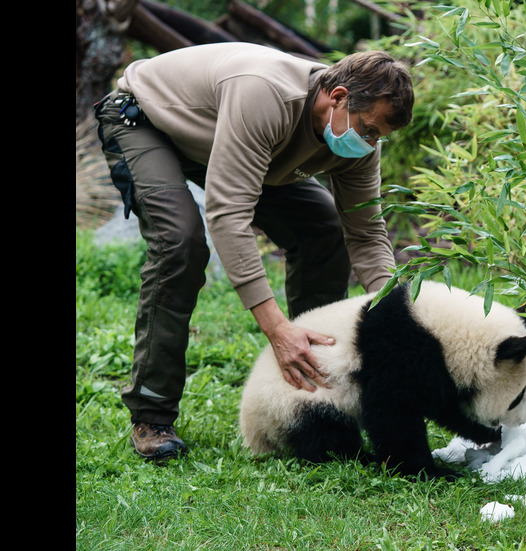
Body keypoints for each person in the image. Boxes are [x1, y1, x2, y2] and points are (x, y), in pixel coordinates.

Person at [93, 42, 414, 463]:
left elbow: (367, 232)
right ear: (338, 98)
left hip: (227, 144)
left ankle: (315, 382)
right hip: (147, 122)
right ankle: (152, 414)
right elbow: (228, 213)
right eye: (369, 130)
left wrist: (398, 315)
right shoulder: (266, 95)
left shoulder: (357, 141)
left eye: (379, 137)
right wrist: (277, 329)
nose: (372, 143)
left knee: (325, 227)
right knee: (181, 242)